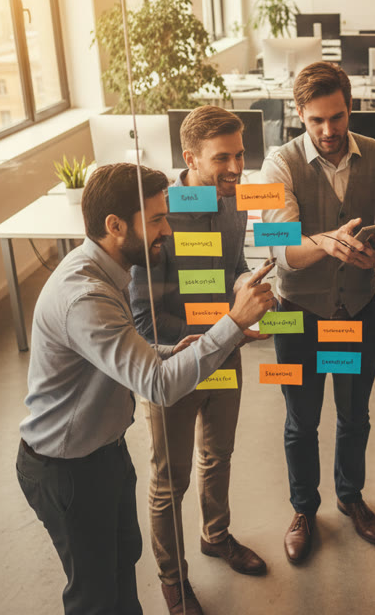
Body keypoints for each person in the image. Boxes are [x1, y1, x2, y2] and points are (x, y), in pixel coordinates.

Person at [16, 162, 276, 615]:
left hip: (104, 453)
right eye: (156, 220)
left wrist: (172, 347)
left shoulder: (104, 273)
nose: (168, 231)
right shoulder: (85, 295)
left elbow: (118, 349)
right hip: (68, 470)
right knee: (95, 597)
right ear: (115, 226)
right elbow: (156, 387)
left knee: (121, 573)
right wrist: (232, 323)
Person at [129, 107, 268, 615]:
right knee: (170, 482)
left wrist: (245, 293)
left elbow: (234, 265)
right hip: (175, 362)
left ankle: (216, 536)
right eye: (222, 158)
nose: (236, 167)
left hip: (225, 354)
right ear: (189, 159)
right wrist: (207, 337)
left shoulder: (235, 203)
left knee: (218, 455)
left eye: (240, 154)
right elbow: (143, 316)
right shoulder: (157, 216)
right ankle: (173, 579)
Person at [261, 61, 375, 563]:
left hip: (358, 310)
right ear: (299, 114)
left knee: (355, 415)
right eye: (316, 120)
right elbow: (284, 252)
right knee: (301, 421)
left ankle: (351, 497)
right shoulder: (278, 164)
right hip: (295, 314)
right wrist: (330, 243)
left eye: (336, 117)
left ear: (350, 106)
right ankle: (303, 508)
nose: (328, 130)